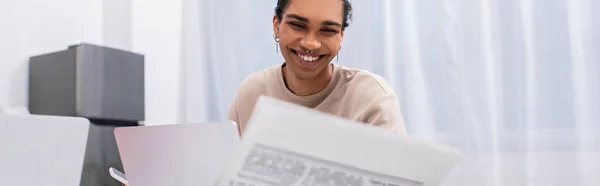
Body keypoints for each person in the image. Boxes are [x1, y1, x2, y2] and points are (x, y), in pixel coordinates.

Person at [229, 0, 406, 135]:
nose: (311, 44)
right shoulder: (252, 93)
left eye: (328, 30)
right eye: (298, 25)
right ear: (277, 25)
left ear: (341, 36)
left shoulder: (371, 98)